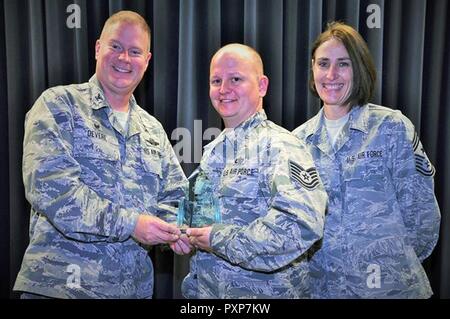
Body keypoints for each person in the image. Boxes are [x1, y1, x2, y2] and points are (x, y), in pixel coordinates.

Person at [13, 10, 190, 299]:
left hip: (131, 291)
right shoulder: (59, 106)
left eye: (135, 51)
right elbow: (53, 190)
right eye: (115, 46)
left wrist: (179, 232)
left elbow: (175, 199)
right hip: (60, 288)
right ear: (98, 48)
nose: (124, 58)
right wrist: (132, 224)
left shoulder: (152, 130)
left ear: (147, 60)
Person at [293, 22, 441, 298]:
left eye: (344, 64)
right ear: (313, 69)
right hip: (323, 290)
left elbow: (422, 216)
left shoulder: (391, 127)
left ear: (359, 68)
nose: (331, 74)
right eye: (323, 63)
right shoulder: (297, 142)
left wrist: (391, 264)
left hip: (392, 290)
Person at [181, 43, 327, 299]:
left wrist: (219, 239)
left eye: (235, 79)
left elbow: (300, 225)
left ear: (262, 86)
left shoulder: (281, 145)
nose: (224, 89)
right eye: (216, 81)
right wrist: (184, 234)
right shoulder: (213, 151)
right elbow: (202, 221)